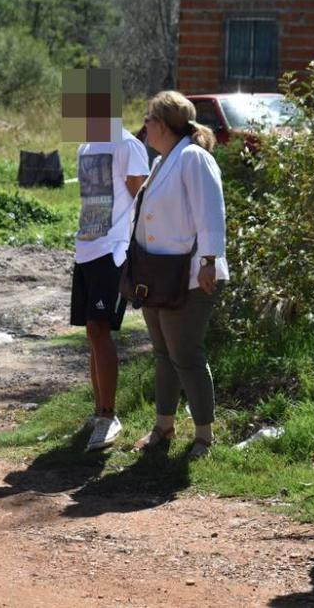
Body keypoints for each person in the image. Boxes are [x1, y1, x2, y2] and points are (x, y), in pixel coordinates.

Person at [131, 91, 228, 459]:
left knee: (186, 355)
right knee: (162, 354)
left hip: (189, 274)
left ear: (164, 124)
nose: (145, 126)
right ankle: (163, 426)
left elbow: (211, 212)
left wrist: (208, 261)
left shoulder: (193, 157)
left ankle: (203, 435)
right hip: (156, 273)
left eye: (149, 119)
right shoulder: (162, 161)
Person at [73, 126, 149, 451]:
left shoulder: (128, 145)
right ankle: (97, 412)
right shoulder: (86, 145)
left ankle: (109, 415)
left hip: (112, 251)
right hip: (86, 248)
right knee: (92, 332)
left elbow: (141, 197)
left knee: (99, 329)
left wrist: (134, 251)